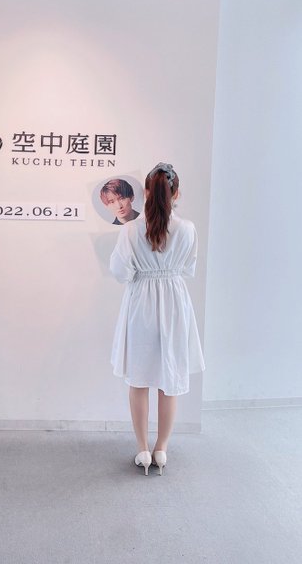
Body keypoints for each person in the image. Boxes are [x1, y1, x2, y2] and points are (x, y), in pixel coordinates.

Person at [109, 162, 205, 476]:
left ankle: (142, 449)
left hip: (141, 303)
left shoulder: (130, 229)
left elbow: (121, 272)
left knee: (139, 380)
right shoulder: (187, 228)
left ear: (146, 192)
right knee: (169, 378)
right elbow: (188, 268)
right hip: (174, 302)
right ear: (176, 193)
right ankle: (161, 448)